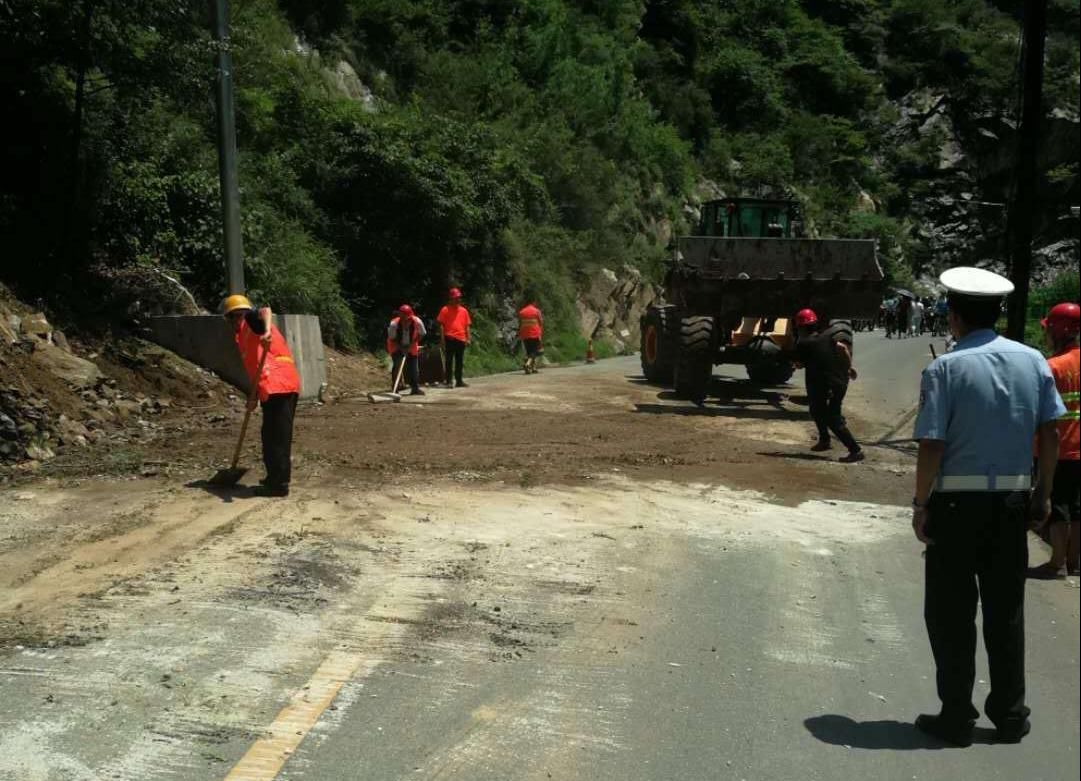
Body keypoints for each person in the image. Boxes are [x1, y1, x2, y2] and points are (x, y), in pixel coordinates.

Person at [910, 267, 1065, 747]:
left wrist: (920, 503)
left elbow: (932, 443)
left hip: (956, 506)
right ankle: (1010, 715)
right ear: (996, 313)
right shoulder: (1033, 360)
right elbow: (1051, 432)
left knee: (952, 613)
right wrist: (1042, 495)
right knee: (1006, 611)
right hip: (1012, 503)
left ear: (954, 317)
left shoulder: (945, 368)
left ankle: (956, 716)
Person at [221, 294, 301, 497]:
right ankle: (274, 478)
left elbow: (265, 310)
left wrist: (266, 331)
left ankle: (279, 484)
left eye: (239, 315)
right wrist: (253, 396)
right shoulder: (242, 336)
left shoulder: (251, 322)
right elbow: (256, 368)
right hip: (270, 388)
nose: (237, 319)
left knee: (277, 438)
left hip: (280, 385)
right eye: (234, 317)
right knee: (270, 436)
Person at [1029, 302, 1080, 578]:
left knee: (1058, 507)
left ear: (1057, 332)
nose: (1046, 335)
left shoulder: (1051, 366)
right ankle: (1074, 562)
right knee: (1077, 507)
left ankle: (1056, 562)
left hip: (1060, 449)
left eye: (1048, 330)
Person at [793, 308, 864, 463]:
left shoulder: (804, 343)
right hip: (839, 381)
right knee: (816, 409)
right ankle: (825, 440)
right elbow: (843, 348)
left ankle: (855, 450)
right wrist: (849, 367)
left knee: (832, 418)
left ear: (799, 327)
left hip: (825, 384)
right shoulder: (828, 336)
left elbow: (798, 364)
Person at [387, 304, 426, 396]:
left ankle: (415, 388)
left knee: (414, 368)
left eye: (408, 320)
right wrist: (401, 348)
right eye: (404, 320)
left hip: (411, 345)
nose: (406, 322)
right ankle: (395, 388)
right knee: (397, 365)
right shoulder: (394, 324)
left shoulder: (417, 322)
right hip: (396, 345)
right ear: (400, 317)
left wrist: (412, 344)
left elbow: (422, 334)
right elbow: (392, 339)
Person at [436, 288, 471, 388]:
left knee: (459, 361)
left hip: (461, 339)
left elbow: (467, 325)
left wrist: (468, 338)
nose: (458, 300)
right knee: (449, 361)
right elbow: (441, 325)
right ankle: (449, 381)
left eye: (459, 298)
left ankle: (459, 380)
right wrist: (442, 340)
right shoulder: (445, 310)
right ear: (451, 298)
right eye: (456, 298)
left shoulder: (464, 311)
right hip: (450, 338)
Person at [518, 301, 544, 374]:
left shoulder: (521, 312)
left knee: (529, 351)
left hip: (525, 334)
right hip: (535, 333)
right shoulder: (536, 311)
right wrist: (540, 332)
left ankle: (533, 368)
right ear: (533, 303)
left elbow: (520, 323)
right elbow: (541, 322)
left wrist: (520, 333)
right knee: (535, 351)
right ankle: (528, 364)